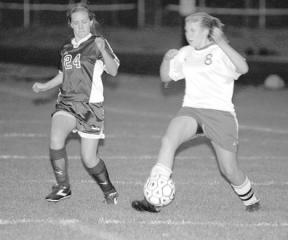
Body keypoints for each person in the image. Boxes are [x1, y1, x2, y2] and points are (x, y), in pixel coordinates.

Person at [132, 12, 260, 212]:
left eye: (193, 29)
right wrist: (166, 60)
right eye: (186, 29)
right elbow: (166, 77)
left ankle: (251, 199)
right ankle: (154, 200)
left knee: (229, 170)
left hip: (220, 115)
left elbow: (243, 68)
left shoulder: (221, 52)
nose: (188, 33)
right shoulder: (186, 52)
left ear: (207, 31)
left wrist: (222, 43)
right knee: (168, 141)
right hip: (191, 109)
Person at [32, 3, 120, 204]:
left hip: (91, 108)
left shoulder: (98, 42)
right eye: (76, 22)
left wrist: (103, 51)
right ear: (70, 24)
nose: (80, 26)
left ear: (90, 22)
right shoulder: (65, 48)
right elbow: (62, 76)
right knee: (56, 138)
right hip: (67, 103)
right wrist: (44, 87)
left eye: (84, 22)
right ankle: (63, 187)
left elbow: (113, 70)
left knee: (89, 159)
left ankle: (109, 190)